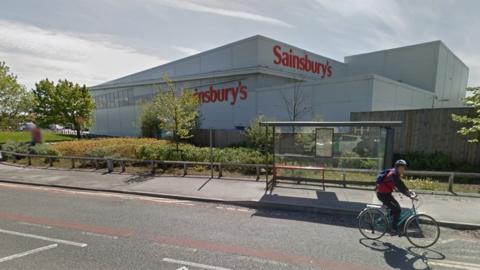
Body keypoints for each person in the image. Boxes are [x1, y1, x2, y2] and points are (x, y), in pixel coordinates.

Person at [376, 159, 416, 235]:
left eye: (404, 168)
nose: (403, 169)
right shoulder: (393, 174)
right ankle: (393, 229)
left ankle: (384, 219)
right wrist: (409, 195)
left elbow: (401, 184)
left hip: (386, 194)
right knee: (397, 210)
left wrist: (409, 190)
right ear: (397, 167)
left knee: (396, 208)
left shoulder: (396, 174)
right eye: (401, 168)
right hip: (382, 195)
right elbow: (400, 187)